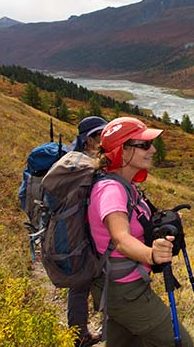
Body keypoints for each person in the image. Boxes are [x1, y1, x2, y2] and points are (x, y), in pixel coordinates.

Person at [89, 117, 194, 347]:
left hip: (119, 286)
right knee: (182, 344)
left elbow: (135, 224)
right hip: (126, 292)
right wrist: (152, 255)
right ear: (123, 151)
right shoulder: (111, 191)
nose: (153, 149)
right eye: (144, 145)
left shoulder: (125, 185)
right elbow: (120, 238)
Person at [68, 116, 108, 347]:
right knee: (106, 281)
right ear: (89, 139)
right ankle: (112, 333)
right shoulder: (86, 165)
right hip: (88, 235)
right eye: (99, 135)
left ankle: (78, 335)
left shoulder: (69, 160)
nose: (104, 139)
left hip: (73, 235)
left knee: (78, 287)